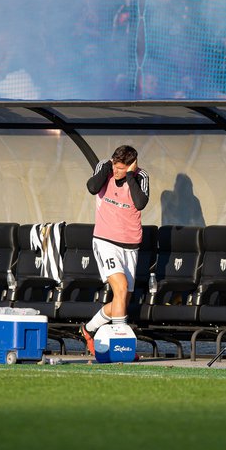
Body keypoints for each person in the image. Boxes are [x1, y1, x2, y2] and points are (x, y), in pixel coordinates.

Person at [79, 145, 149, 355]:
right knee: (120, 288)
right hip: (105, 240)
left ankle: (88, 329)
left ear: (131, 166)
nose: (116, 171)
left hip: (130, 245)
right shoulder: (104, 167)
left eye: (121, 168)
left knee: (122, 300)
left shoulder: (140, 176)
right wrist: (108, 169)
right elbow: (92, 187)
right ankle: (121, 346)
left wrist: (129, 176)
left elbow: (140, 202)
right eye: (115, 166)